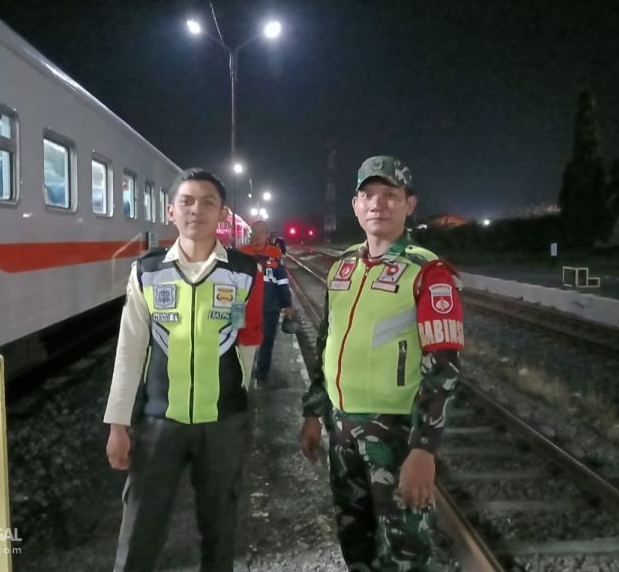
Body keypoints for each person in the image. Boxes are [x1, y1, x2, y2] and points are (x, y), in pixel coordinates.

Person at [299, 156, 464, 571]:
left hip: (395, 436)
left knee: (403, 554)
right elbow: (327, 344)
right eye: (368, 195)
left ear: (410, 204)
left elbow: (443, 368)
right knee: (355, 545)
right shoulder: (344, 266)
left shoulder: (428, 273)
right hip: (342, 433)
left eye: (391, 195)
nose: (378, 204)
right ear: (355, 205)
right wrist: (314, 412)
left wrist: (424, 449)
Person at [104, 168, 264, 572]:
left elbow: (249, 342)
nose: (197, 210)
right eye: (187, 201)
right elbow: (130, 348)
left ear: (222, 214)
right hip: (160, 422)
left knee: (220, 527)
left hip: (224, 422)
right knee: (140, 525)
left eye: (208, 202)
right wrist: (118, 424)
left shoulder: (245, 272)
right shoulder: (147, 271)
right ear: (171, 211)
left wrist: (242, 402)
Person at [240, 219, 295, 386]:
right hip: (242, 308)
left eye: (261, 232)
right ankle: (241, 376)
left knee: (267, 342)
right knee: (240, 342)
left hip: (269, 307)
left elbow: (282, 282)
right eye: (254, 232)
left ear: (267, 235)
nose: (257, 236)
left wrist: (287, 304)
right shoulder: (241, 253)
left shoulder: (275, 254)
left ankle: (261, 375)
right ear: (250, 234)